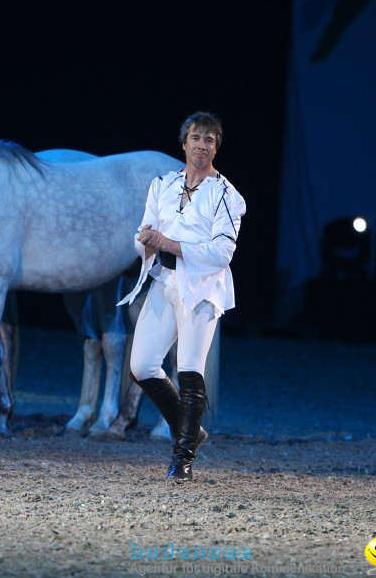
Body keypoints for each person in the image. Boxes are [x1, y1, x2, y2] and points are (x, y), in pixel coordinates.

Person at [118, 111, 246, 482]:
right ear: (184, 142)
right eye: (195, 138)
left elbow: (221, 253)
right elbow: (146, 229)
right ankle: (191, 429)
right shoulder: (162, 184)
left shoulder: (226, 196)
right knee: (141, 366)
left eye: (209, 140)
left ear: (216, 146)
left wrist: (170, 243)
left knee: (190, 369)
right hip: (165, 281)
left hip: (201, 288)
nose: (201, 145)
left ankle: (183, 457)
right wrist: (144, 240)